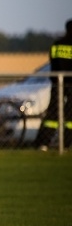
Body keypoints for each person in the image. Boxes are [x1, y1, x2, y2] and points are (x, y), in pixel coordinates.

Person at [34, 18, 72, 150]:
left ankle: (43, 143)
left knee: (52, 113)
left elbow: (53, 62)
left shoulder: (57, 44)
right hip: (70, 84)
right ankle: (66, 144)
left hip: (57, 83)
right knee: (70, 116)